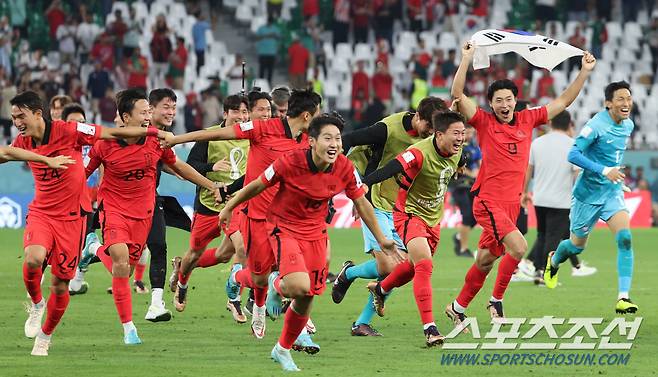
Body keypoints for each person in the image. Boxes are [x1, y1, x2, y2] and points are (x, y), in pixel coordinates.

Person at [218, 114, 399, 371]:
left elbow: (361, 202)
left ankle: (282, 349)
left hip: (315, 233)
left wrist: (383, 240)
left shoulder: (345, 168)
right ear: (312, 141)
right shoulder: (290, 161)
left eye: (337, 138)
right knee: (298, 286)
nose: (334, 143)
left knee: (306, 297)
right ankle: (275, 283)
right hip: (284, 227)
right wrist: (230, 206)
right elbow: (257, 184)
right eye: (328, 138)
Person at [445, 41, 595, 328]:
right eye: (498, 100)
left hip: (511, 204)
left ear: (516, 100)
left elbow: (562, 102)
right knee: (519, 246)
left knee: (486, 261)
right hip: (487, 201)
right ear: (491, 104)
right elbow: (457, 94)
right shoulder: (485, 122)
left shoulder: (529, 119)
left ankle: (457, 306)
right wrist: (465, 58)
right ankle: (496, 302)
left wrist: (584, 73)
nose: (504, 105)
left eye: (508, 99)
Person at [10, 90, 169, 356]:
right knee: (34, 258)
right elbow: (6, 152)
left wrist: (153, 133)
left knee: (61, 283)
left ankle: (45, 337)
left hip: (73, 218)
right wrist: (45, 159)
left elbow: (109, 134)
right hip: (43, 213)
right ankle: (37, 304)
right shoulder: (23, 141)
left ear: (37, 114)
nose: (16, 122)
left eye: (20, 116)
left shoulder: (70, 131)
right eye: (13, 118)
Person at [161, 89, 322, 339]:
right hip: (249, 213)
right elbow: (215, 134)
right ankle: (228, 280)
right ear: (306, 115)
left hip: (285, 217)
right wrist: (176, 139)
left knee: (287, 268)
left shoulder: (307, 141)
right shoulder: (262, 130)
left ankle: (285, 315)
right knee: (255, 274)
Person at [79, 89, 218, 344]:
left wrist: (210, 186)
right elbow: (82, 175)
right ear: (124, 117)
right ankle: (129, 328)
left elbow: (181, 167)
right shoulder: (104, 144)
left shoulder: (156, 143)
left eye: (148, 112)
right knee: (120, 261)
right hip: (114, 210)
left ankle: (95, 248)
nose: (147, 117)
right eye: (143, 112)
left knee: (125, 271)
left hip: (143, 212)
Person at [331, 97, 447, 337]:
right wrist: (356, 188)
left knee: (402, 267)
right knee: (388, 264)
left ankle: (361, 322)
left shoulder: (432, 140)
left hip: (404, 208)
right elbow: (350, 140)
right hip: (375, 200)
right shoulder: (387, 129)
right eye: (429, 128)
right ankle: (349, 273)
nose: (431, 134)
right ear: (417, 117)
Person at [366, 111, 466, 346]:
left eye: (463, 133)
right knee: (424, 265)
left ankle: (381, 289)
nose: (461, 138)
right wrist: (362, 183)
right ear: (439, 135)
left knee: (412, 268)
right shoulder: (418, 153)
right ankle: (430, 328)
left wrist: (461, 168)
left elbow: (459, 162)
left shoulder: (456, 149)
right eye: (456, 133)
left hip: (434, 218)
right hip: (409, 214)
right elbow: (391, 169)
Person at [544, 81, 638, 314]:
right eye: (620, 99)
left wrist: (616, 178)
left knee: (625, 238)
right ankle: (554, 261)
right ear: (608, 104)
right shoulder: (596, 126)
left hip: (611, 193)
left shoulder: (628, 125)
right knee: (576, 248)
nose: (626, 103)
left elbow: (612, 155)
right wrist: (605, 171)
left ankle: (623, 298)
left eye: (628, 98)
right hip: (587, 196)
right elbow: (573, 154)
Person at [168, 94, 250, 324]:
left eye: (245, 112)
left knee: (241, 249)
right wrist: (212, 167)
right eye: (236, 112)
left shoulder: (252, 136)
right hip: (208, 203)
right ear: (225, 114)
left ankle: (235, 298)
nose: (241, 117)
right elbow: (190, 166)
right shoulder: (211, 136)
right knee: (195, 252)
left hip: (236, 204)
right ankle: (182, 279)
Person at [521, 110, 597, 284]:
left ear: (550, 123)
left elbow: (528, 170)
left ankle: (537, 268)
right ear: (569, 124)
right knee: (553, 238)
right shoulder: (574, 145)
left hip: (539, 197)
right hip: (562, 200)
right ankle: (541, 272)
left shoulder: (537, 143)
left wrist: (525, 192)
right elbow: (577, 176)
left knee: (543, 235)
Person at [449, 125, 480, 258]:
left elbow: (480, 161)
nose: (470, 133)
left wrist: (478, 172)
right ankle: (463, 249)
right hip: (459, 185)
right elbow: (453, 164)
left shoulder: (474, 146)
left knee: (476, 216)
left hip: (472, 186)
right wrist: (470, 173)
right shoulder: (455, 147)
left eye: (472, 131)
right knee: (467, 215)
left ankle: (458, 236)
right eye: (467, 131)